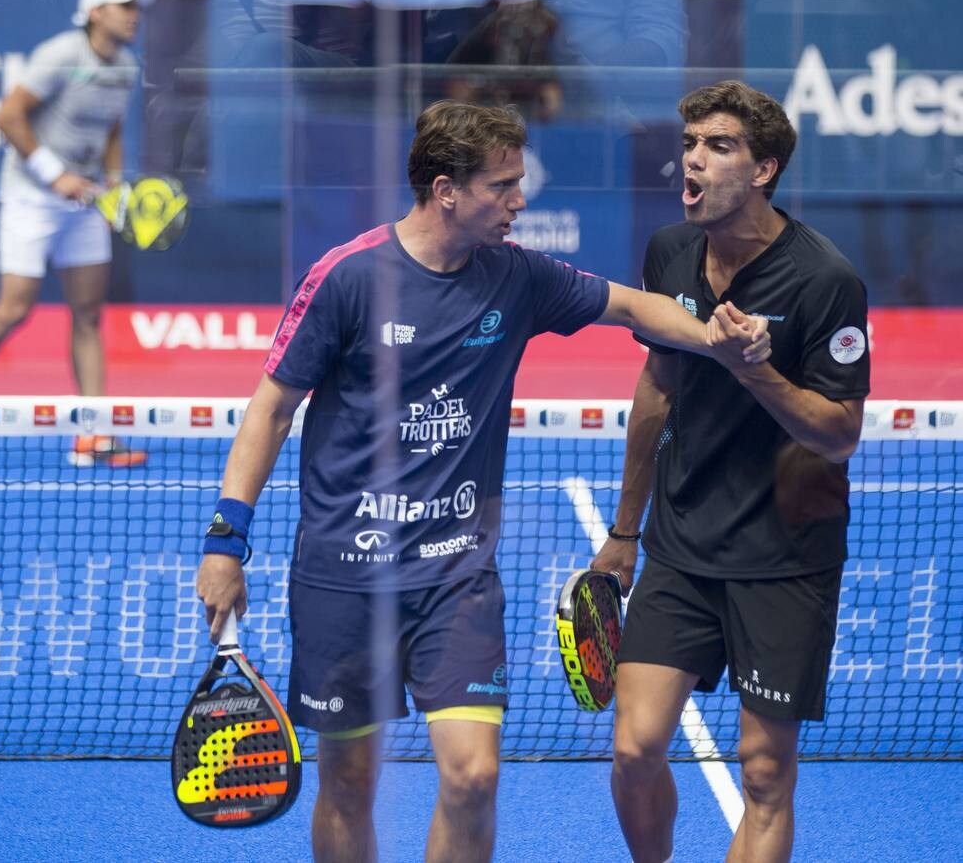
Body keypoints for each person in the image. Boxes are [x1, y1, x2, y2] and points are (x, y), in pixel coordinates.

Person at [194, 100, 772, 862]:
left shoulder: (517, 277)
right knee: (348, 779)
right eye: (501, 186)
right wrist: (226, 539)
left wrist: (715, 339)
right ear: (445, 190)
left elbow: (633, 306)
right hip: (343, 576)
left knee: (472, 777)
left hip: (457, 577)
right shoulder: (347, 278)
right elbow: (269, 410)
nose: (518, 200)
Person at [592, 81, 870, 863]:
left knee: (763, 771)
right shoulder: (669, 252)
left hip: (785, 556)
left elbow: (840, 433)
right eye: (689, 144)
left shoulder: (824, 280)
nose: (692, 160)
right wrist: (623, 533)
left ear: (763, 170)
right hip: (681, 543)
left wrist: (754, 369)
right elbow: (658, 385)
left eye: (718, 146)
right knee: (634, 748)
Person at [0, 0, 154, 467]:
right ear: (97, 12)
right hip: (30, 197)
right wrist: (55, 176)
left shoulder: (124, 67)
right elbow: (8, 116)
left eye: (137, 7)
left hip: (84, 203)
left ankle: (92, 434)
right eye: (125, 6)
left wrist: (114, 184)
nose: (135, 15)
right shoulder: (59, 55)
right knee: (14, 308)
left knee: (89, 314)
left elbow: (112, 127)